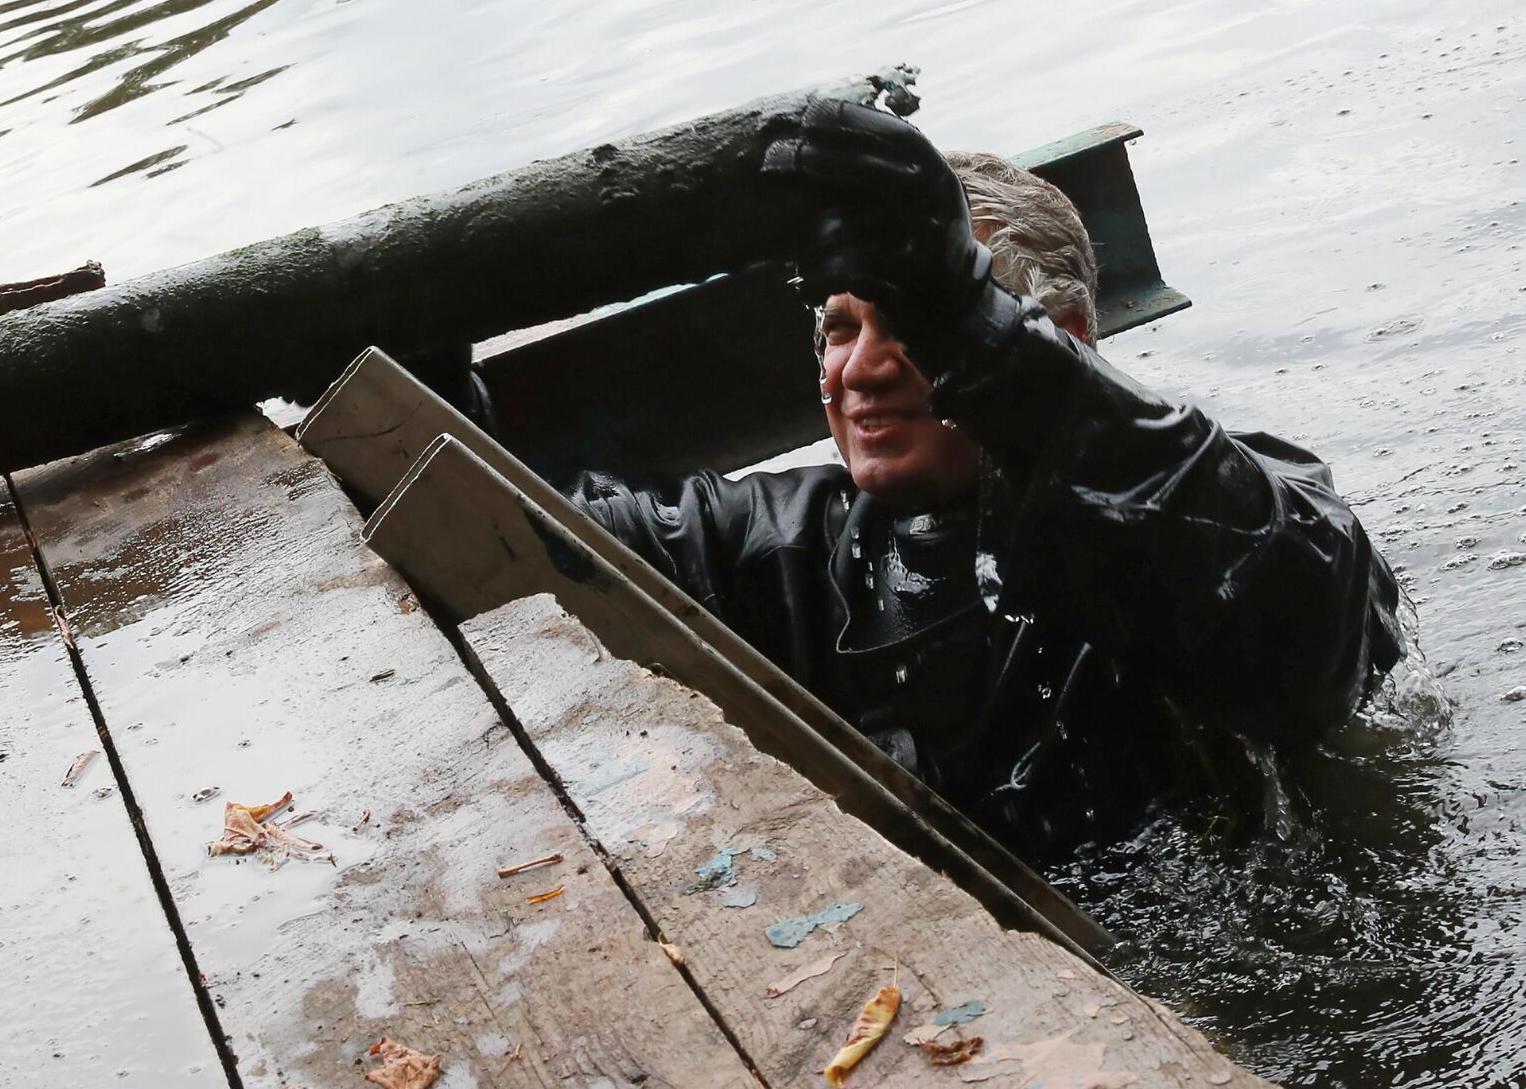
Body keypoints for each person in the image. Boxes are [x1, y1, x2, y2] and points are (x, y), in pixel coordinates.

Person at [571, 101, 1402, 860]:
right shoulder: (776, 543)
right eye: (837, 329)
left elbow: (1303, 615)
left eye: (911, 327)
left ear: (1066, 337)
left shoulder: (1209, 507)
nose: (859, 371)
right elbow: (525, 540)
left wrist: (974, 329)